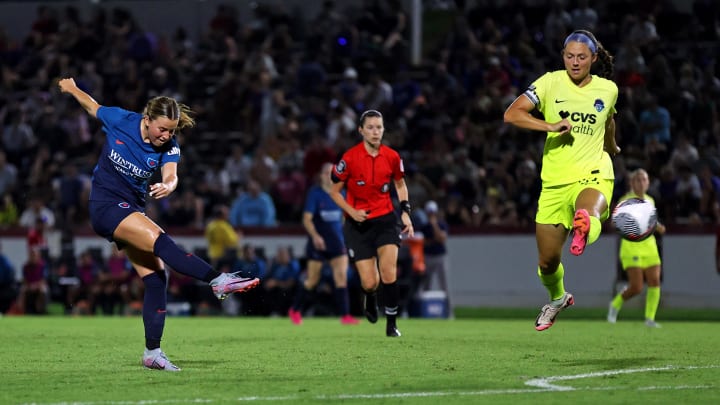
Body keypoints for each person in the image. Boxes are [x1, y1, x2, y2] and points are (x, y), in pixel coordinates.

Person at [57, 77, 260, 371]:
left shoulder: (170, 146)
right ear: (146, 118)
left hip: (130, 209)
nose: (166, 135)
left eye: (171, 130)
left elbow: (172, 174)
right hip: (105, 206)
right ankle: (217, 280)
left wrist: (169, 185)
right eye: (162, 128)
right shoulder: (121, 120)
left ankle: (152, 352)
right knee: (159, 237)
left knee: (155, 279)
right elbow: (93, 107)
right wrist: (73, 89)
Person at [503, 30, 620, 331]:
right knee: (547, 262)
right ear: (562, 55)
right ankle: (558, 298)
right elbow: (512, 114)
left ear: (594, 58)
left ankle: (584, 226)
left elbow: (608, 119)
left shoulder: (608, 89)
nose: (575, 62)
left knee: (588, 213)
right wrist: (550, 125)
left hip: (594, 171)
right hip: (555, 182)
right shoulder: (549, 82)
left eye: (582, 57)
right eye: (570, 56)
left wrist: (613, 146)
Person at [328, 109, 414, 337]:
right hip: (358, 224)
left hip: (385, 220)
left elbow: (400, 185)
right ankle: (370, 296)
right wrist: (351, 211)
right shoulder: (350, 158)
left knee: (388, 271)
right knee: (369, 281)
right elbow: (334, 191)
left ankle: (392, 323)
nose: (376, 132)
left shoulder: (392, 156)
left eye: (379, 127)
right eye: (371, 127)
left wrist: (405, 212)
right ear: (361, 131)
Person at [288, 162, 359, 325]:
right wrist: (315, 236)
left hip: (337, 242)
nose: (330, 175)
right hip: (319, 243)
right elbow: (306, 219)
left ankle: (345, 316)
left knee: (341, 277)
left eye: (332, 172)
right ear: (321, 176)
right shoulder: (315, 194)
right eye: (326, 172)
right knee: (312, 280)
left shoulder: (342, 194)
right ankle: (295, 309)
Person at [607, 169, 666, 327]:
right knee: (637, 287)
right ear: (632, 183)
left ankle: (650, 319)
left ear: (648, 183)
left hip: (649, 246)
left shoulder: (650, 200)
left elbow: (649, 222)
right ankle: (615, 305)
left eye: (644, 180)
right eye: (637, 180)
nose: (641, 183)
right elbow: (615, 222)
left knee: (654, 281)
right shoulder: (626, 201)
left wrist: (658, 226)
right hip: (631, 248)